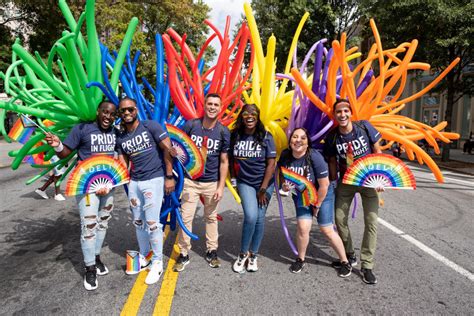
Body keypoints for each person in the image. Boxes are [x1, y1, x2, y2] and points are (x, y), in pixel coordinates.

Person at [45, 100, 117, 291]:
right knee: (89, 226)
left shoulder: (114, 132)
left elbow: (118, 158)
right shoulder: (82, 128)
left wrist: (110, 182)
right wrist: (58, 145)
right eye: (105, 112)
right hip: (87, 187)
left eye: (111, 114)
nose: (108, 117)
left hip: (108, 186)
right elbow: (65, 153)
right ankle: (90, 268)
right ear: (97, 111)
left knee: (103, 223)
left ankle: (97, 257)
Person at [116, 97, 175, 285]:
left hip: (154, 180)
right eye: (123, 111)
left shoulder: (151, 126)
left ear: (136, 110)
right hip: (135, 182)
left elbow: (168, 150)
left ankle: (157, 262)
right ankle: (144, 256)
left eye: (130, 109)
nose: (126, 113)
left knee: (152, 223)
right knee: (138, 221)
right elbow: (123, 159)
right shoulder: (122, 136)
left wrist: (169, 176)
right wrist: (119, 175)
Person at [278, 128, 353, 276]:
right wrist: (284, 185)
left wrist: (317, 205)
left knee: (326, 229)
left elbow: (324, 185)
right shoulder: (286, 155)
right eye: (295, 137)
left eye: (303, 138)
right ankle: (300, 258)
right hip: (302, 195)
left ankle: (345, 261)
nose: (298, 140)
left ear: (307, 143)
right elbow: (282, 174)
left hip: (321, 194)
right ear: (290, 140)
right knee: (302, 227)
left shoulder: (314, 156)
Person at [324, 98, 382, 284]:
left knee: (371, 221)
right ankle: (349, 254)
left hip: (368, 180)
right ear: (335, 115)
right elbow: (332, 162)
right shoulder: (333, 137)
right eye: (338, 112)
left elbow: (377, 151)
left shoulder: (364, 127)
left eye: (345, 111)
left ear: (351, 112)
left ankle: (367, 265)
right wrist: (332, 184)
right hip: (346, 182)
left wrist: (379, 176)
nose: (342, 115)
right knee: (340, 219)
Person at [173, 93, 230, 272]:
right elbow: (178, 144)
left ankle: (211, 251)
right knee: (185, 218)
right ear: (204, 106)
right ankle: (183, 253)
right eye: (210, 104)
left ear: (220, 108)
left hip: (211, 183)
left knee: (211, 218)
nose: (212, 107)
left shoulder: (223, 131)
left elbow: (224, 161)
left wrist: (221, 187)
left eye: (216, 104)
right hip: (190, 181)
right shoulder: (192, 125)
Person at [229, 104, 276, 273]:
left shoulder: (266, 137)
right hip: (245, 182)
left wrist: (263, 189)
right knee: (250, 216)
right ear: (241, 116)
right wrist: (233, 177)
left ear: (258, 116)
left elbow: (271, 164)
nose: (249, 117)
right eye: (246, 114)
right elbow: (228, 158)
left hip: (265, 183)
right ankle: (243, 254)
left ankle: (253, 255)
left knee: (259, 219)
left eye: (253, 114)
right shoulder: (235, 136)